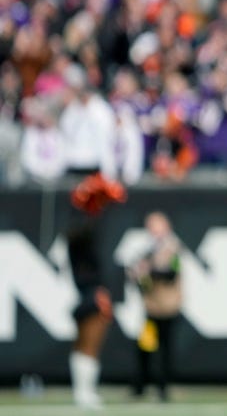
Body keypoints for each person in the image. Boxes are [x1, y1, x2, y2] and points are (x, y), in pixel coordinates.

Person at [67, 173, 126, 409]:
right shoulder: (82, 233)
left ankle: (83, 391)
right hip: (91, 292)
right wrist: (95, 200)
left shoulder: (81, 233)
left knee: (83, 344)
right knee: (90, 343)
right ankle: (85, 392)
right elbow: (87, 228)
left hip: (86, 291)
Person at [126, 212, 182, 402]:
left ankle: (163, 388)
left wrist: (148, 270)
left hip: (167, 309)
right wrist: (139, 275)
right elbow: (143, 281)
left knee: (165, 349)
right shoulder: (148, 249)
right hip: (151, 309)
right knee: (145, 347)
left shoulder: (173, 247)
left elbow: (172, 273)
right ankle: (140, 387)